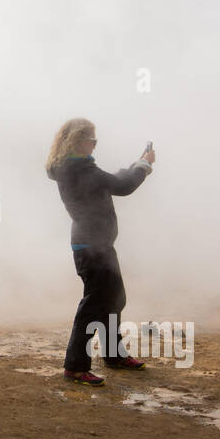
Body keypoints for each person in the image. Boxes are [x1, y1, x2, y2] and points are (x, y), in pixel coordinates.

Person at [45, 118, 155, 386]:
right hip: (92, 248)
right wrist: (144, 166)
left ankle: (113, 355)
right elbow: (122, 186)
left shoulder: (75, 168)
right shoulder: (80, 170)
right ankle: (75, 367)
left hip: (97, 245)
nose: (95, 145)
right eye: (92, 140)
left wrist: (136, 165)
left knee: (113, 300)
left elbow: (110, 181)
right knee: (93, 307)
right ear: (78, 141)